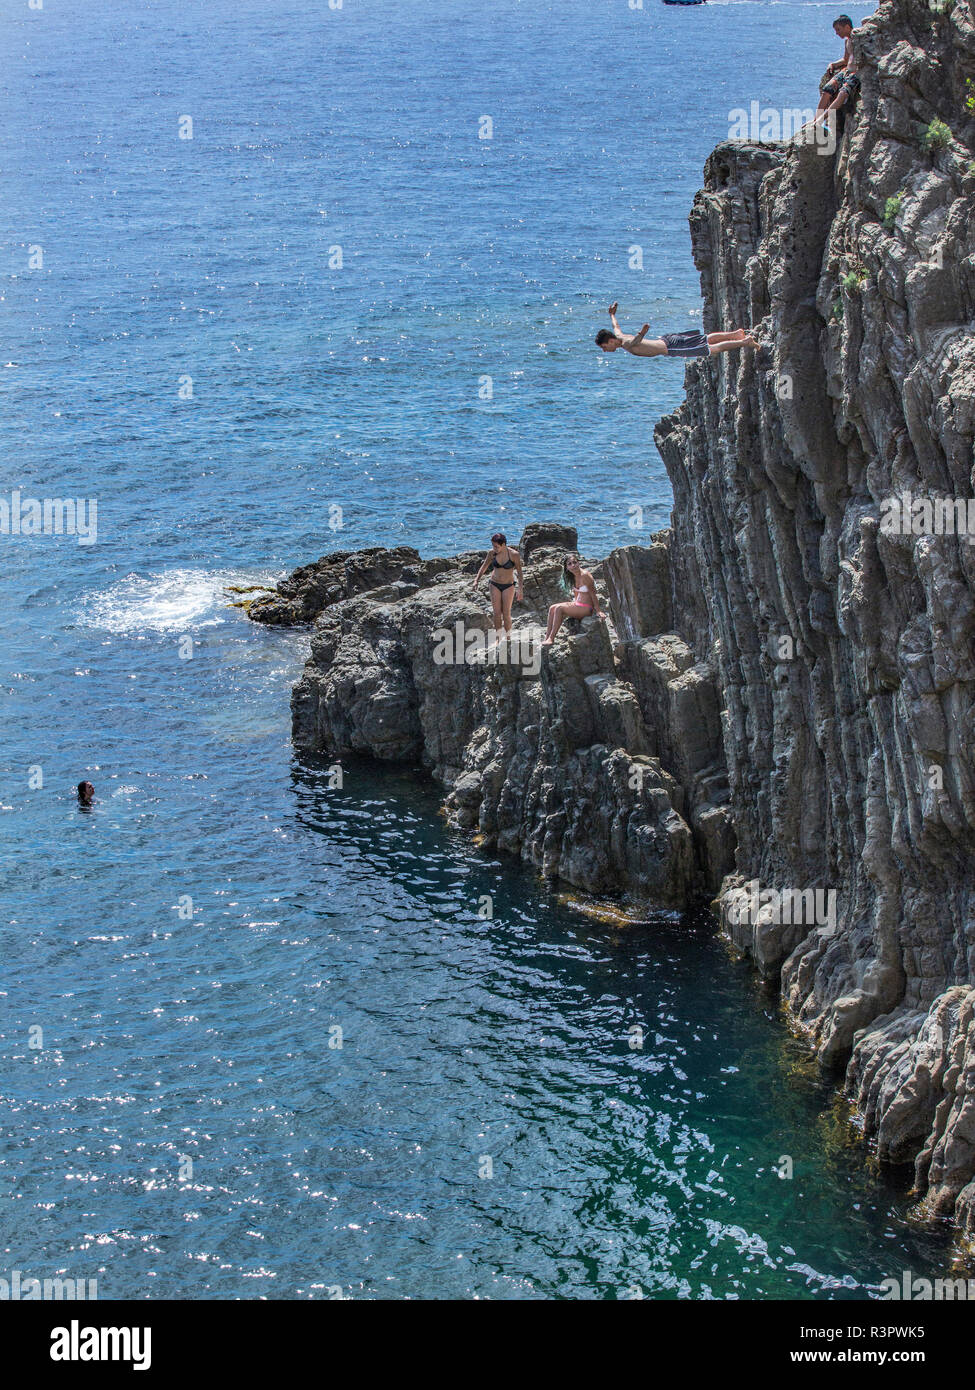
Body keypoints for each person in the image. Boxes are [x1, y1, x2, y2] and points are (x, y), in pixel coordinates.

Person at [596, 303, 758, 358]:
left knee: (711, 349)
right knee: (704, 338)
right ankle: (736, 334)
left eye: (604, 347)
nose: (605, 351)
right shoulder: (618, 335)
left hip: (672, 348)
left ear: (610, 341)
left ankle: (744, 342)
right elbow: (615, 326)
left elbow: (634, 342)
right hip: (668, 339)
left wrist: (642, 333)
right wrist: (612, 315)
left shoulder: (625, 343)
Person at [543, 554, 604, 646]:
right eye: (570, 564)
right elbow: (576, 592)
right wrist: (573, 605)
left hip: (586, 608)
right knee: (552, 608)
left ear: (578, 563)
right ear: (566, 568)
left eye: (575, 562)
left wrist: (599, 611)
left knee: (559, 608)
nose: (573, 565)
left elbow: (593, 594)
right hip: (579, 605)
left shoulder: (585, 575)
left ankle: (551, 638)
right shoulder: (573, 577)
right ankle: (547, 636)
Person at [472, 532, 524, 639]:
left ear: (504, 544)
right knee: (496, 613)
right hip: (494, 584)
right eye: (493, 546)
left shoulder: (514, 554)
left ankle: (508, 638)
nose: (494, 548)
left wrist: (520, 589)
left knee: (506, 614)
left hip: (508, 586)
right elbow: (484, 567)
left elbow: (519, 573)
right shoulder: (492, 553)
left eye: (496, 546)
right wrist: (476, 580)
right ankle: (498, 638)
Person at [814, 16, 859, 129]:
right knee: (827, 90)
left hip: (856, 73)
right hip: (846, 71)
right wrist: (833, 64)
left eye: (838, 29)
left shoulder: (858, 37)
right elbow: (845, 59)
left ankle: (822, 119)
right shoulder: (847, 41)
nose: (836, 33)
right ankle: (815, 120)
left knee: (842, 94)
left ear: (847, 27)